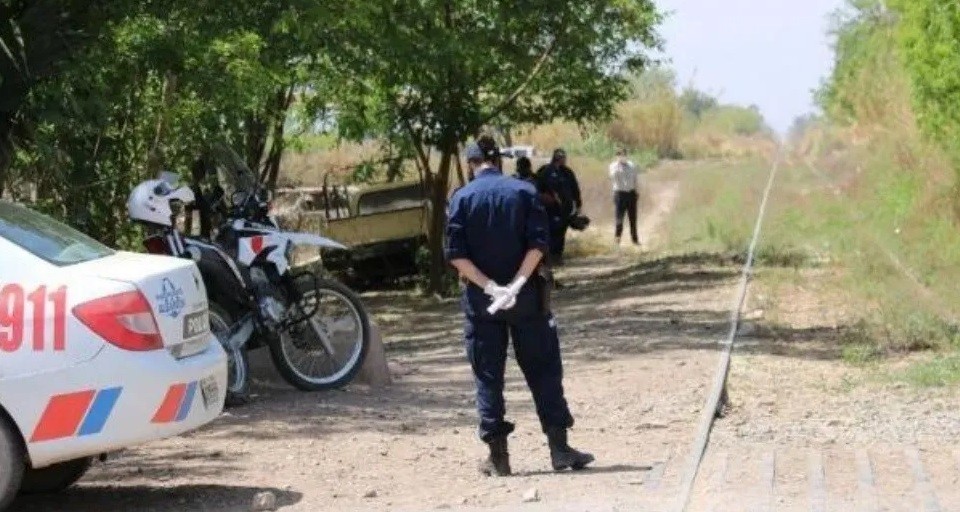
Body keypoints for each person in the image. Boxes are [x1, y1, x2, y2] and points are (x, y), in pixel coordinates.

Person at [445, 136, 594, 477]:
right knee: (544, 369)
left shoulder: (461, 199)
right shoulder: (523, 191)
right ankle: (560, 450)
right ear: (497, 160)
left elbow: (456, 255)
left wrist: (492, 287)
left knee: (487, 375)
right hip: (527, 298)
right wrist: (515, 284)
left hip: (483, 303)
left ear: (471, 165)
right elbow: (539, 244)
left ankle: (498, 458)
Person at [535, 148, 582, 266]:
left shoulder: (567, 172)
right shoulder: (544, 171)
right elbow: (537, 188)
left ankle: (558, 257)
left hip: (564, 210)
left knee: (561, 233)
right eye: (562, 158)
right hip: (550, 210)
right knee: (551, 233)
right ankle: (550, 257)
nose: (563, 160)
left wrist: (578, 204)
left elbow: (575, 189)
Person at [609, 148, 640, 246]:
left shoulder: (632, 166)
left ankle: (635, 240)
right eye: (620, 155)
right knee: (619, 219)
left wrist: (636, 191)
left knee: (633, 219)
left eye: (624, 154)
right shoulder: (613, 166)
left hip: (631, 194)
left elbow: (635, 179)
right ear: (617, 156)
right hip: (619, 194)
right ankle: (617, 239)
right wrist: (618, 165)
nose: (622, 156)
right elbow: (613, 176)